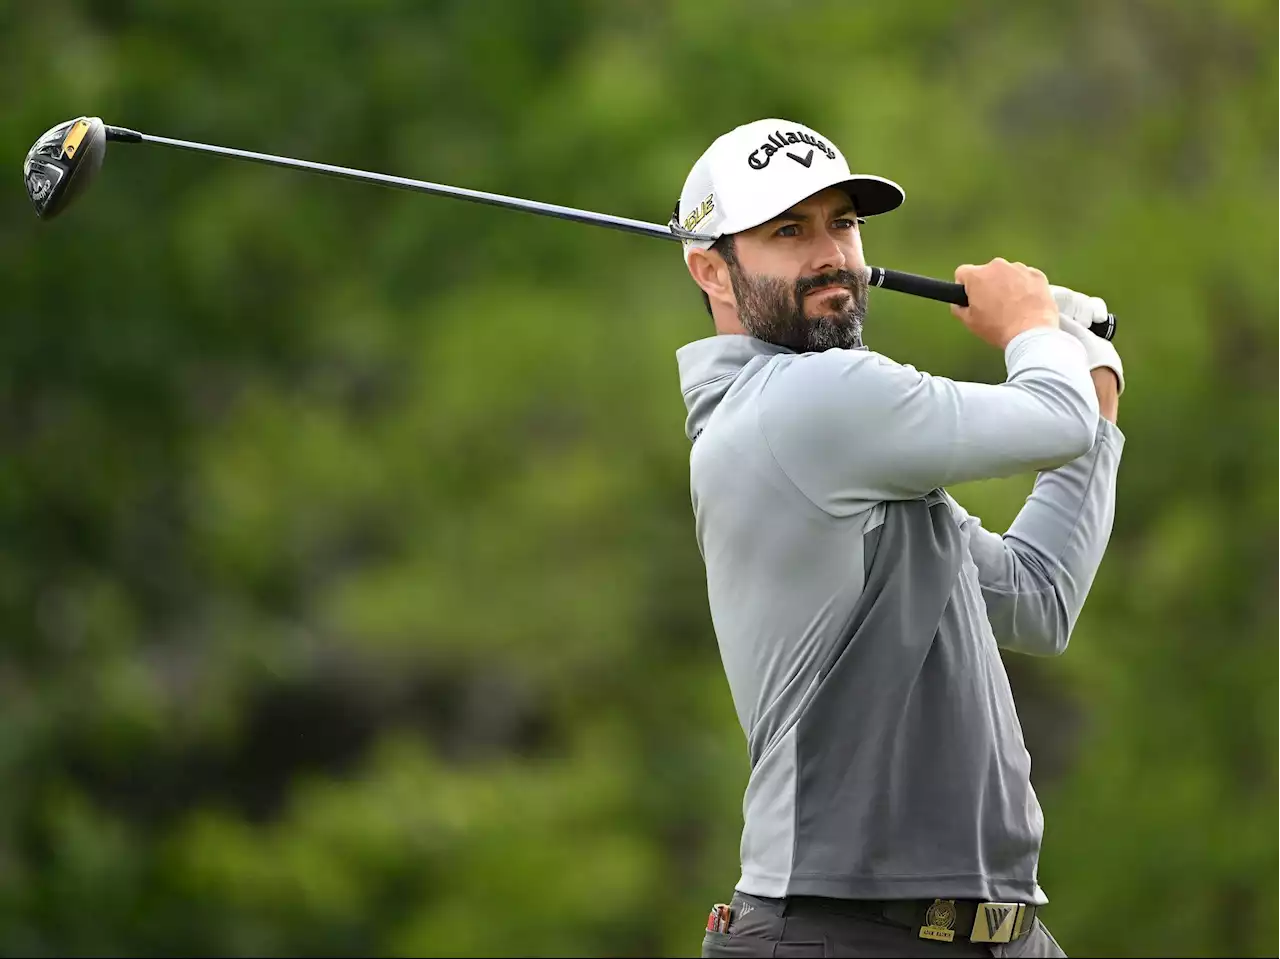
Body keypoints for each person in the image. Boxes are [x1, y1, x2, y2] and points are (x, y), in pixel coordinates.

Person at [673, 118, 1126, 958]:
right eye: (787, 230)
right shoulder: (807, 402)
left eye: (841, 223)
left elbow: (1037, 598)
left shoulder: (843, 446)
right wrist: (1032, 324)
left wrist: (1091, 369)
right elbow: (1052, 418)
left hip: (995, 933)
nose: (831, 254)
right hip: (844, 930)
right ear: (711, 268)